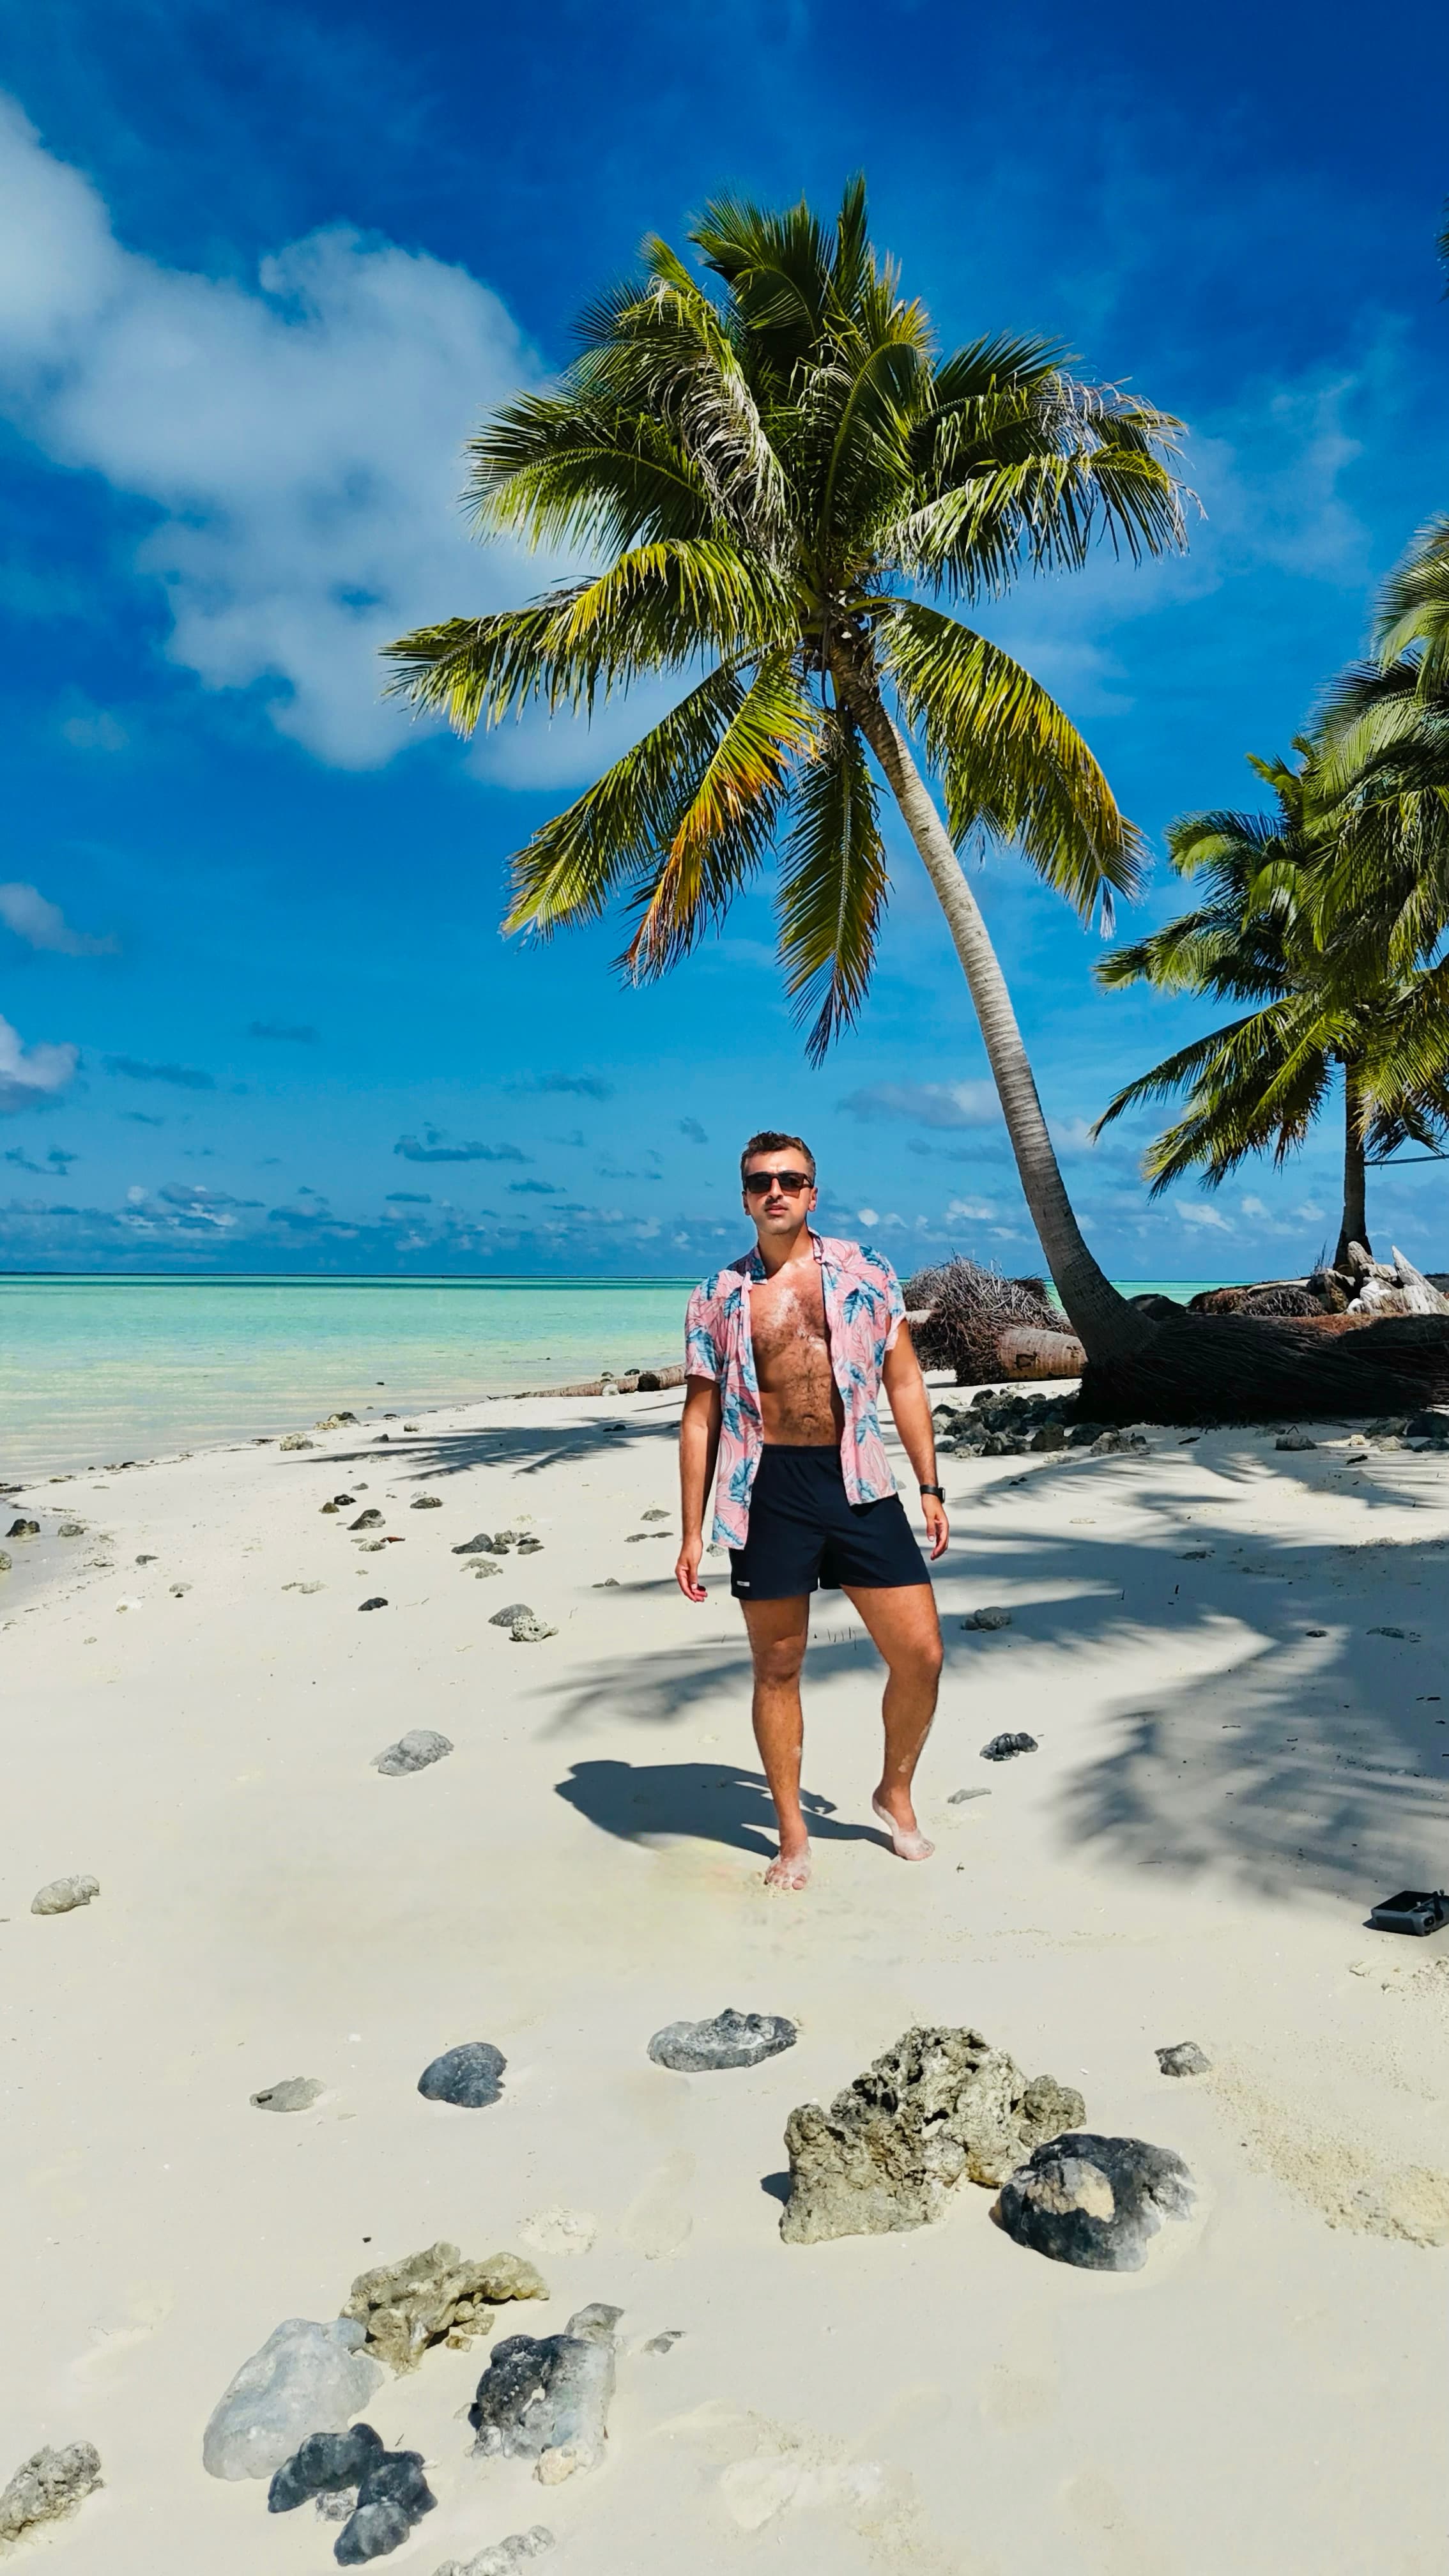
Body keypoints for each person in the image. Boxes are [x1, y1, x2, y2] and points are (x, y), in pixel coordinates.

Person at [676, 1131, 947, 1890]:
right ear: (743, 1198)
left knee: (920, 1654)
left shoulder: (866, 1272)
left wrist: (929, 1486)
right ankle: (793, 1835)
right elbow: (699, 1418)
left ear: (812, 1194)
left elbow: (904, 1380)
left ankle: (893, 1789)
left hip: (857, 1478)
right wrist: (692, 1531)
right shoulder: (717, 1296)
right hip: (765, 1490)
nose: (776, 1192)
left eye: (790, 1180)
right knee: (779, 1665)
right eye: (761, 1181)